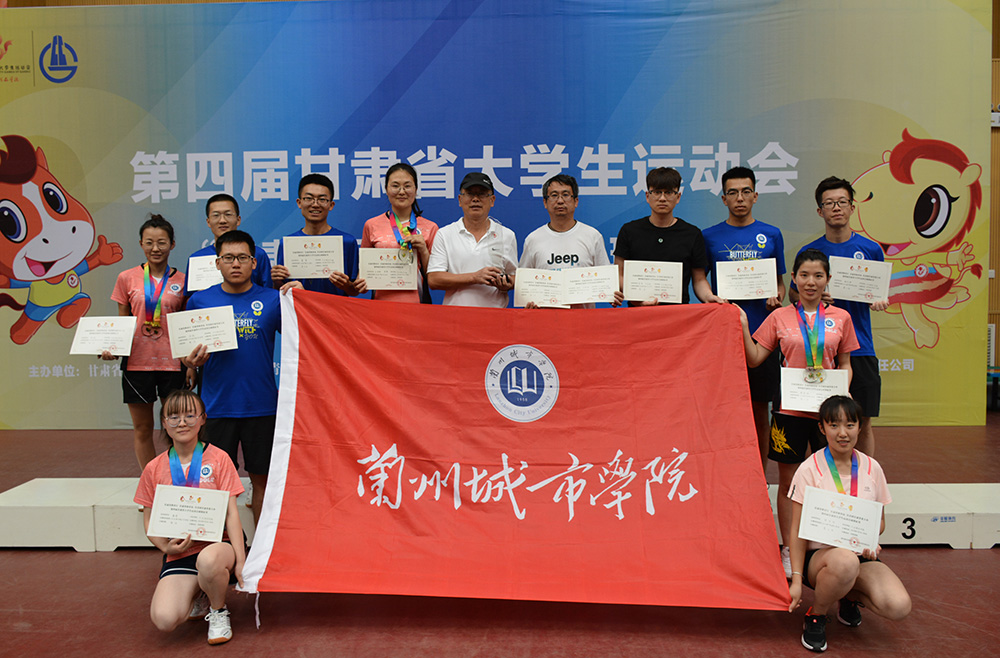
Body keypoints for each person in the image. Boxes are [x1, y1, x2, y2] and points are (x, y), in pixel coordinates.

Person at [739, 249, 859, 579]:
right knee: (789, 484)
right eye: (804, 275)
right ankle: (789, 549)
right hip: (789, 411)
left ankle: (830, 546)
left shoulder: (841, 318)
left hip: (827, 416)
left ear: (827, 279)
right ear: (793, 278)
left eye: (818, 276)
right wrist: (744, 324)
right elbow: (754, 358)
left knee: (830, 480)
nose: (811, 282)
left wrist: (842, 391)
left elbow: (846, 363)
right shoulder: (779, 317)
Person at [185, 230, 302, 525]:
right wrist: (190, 361)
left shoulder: (275, 300)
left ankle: (261, 545)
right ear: (217, 263)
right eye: (228, 258)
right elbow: (186, 354)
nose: (235, 264)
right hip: (216, 407)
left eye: (242, 257)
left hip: (262, 406)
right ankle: (221, 544)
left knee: (262, 482)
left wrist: (302, 298)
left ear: (254, 262)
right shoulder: (200, 301)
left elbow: (305, 335)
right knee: (216, 485)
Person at [787, 395, 911, 653]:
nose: (842, 433)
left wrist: (869, 539)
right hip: (820, 559)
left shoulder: (872, 468)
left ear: (859, 427)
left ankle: (846, 595)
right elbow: (797, 530)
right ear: (822, 428)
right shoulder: (809, 470)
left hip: (859, 555)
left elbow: (880, 522)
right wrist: (796, 579)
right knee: (844, 562)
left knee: (898, 606)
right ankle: (817, 614)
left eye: (850, 425)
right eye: (834, 425)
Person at [133, 389, 246, 645]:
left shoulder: (219, 459)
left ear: (203, 419)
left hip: (218, 546)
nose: (182, 422)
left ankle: (218, 611)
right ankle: (201, 593)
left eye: (189, 415)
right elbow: (149, 519)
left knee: (208, 560)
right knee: (164, 619)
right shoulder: (154, 468)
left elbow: (231, 513)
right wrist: (165, 547)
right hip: (181, 551)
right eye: (173, 417)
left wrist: (240, 561)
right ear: (164, 423)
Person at [793, 177, 887, 458]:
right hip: (820, 349)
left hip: (860, 348)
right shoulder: (810, 252)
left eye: (842, 202)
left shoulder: (871, 249)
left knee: (862, 422)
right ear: (819, 210)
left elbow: (879, 290)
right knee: (821, 422)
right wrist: (812, 296)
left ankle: (864, 480)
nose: (836, 208)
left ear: (852, 207)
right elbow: (794, 295)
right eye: (829, 203)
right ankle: (823, 478)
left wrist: (879, 298)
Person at [703, 167, 786, 467]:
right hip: (724, 336)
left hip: (763, 337)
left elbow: (780, 284)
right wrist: (713, 300)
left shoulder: (772, 234)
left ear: (755, 196)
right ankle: (728, 474)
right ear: (724, 198)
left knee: (760, 410)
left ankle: (760, 478)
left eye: (746, 191)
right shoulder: (709, 236)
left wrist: (777, 297)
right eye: (733, 192)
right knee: (723, 410)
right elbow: (701, 282)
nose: (740, 198)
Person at [103, 215, 187, 471]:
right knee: (142, 428)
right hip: (137, 363)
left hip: (174, 363)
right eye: (149, 242)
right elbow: (122, 321)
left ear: (172, 244)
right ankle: (150, 482)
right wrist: (112, 348)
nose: (155, 248)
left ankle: (178, 479)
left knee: (179, 427)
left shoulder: (183, 280)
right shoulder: (126, 278)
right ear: (141, 244)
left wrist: (191, 366)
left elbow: (186, 325)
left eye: (162, 242)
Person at [614, 167, 724, 305]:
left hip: (679, 314)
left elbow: (699, 279)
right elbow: (619, 274)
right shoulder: (629, 231)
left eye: (669, 192)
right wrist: (638, 299)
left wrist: (708, 296)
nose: (662, 198)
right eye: (657, 192)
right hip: (639, 311)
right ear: (647, 196)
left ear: (678, 197)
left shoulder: (692, 234)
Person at [518, 174, 623, 309]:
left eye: (566, 195)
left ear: (576, 201)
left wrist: (611, 294)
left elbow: (606, 281)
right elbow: (524, 284)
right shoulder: (533, 239)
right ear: (545, 202)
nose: (560, 201)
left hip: (583, 318)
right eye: (554, 195)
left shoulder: (592, 236)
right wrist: (528, 303)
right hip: (545, 318)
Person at [427, 172, 518, 307]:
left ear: (492, 200)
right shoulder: (445, 234)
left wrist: (506, 283)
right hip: (455, 316)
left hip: (494, 316)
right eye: (470, 194)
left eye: (482, 194)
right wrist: (475, 277)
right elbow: (434, 279)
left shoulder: (506, 235)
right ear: (460, 200)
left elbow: (515, 278)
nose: (475, 199)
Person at [355, 162, 439, 303]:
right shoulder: (371, 225)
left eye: (407, 186)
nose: (401, 191)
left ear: (416, 189)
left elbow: (435, 278)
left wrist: (423, 250)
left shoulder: (430, 227)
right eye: (395, 186)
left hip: (418, 305)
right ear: (386, 189)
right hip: (381, 305)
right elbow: (363, 272)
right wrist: (360, 283)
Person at [271, 173, 359, 295]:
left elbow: (355, 291)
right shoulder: (287, 244)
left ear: (331, 205)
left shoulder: (347, 242)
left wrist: (346, 285)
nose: (315, 204)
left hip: (335, 307)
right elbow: (281, 290)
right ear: (299, 203)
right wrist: (276, 281)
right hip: (300, 307)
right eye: (308, 198)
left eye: (322, 199)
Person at [183, 193, 271, 297]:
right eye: (216, 215)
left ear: (238, 220)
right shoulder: (196, 258)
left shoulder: (258, 254)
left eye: (228, 214)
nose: (222, 221)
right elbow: (189, 299)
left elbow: (268, 293)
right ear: (208, 222)